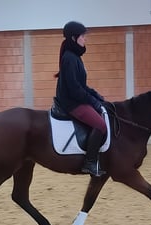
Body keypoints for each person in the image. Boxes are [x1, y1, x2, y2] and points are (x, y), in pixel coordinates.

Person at [54, 21, 107, 177]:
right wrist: (93, 102)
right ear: (73, 37)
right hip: (70, 103)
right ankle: (90, 163)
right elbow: (75, 89)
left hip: (75, 98)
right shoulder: (70, 58)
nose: (85, 39)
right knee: (100, 125)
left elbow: (82, 86)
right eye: (83, 36)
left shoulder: (75, 57)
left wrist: (97, 96)